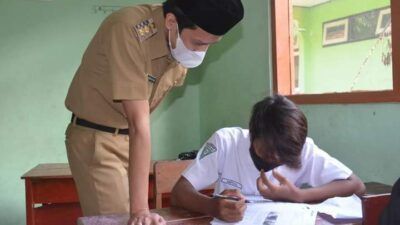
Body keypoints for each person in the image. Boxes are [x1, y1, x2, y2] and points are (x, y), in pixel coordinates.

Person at [64, 0, 244, 224]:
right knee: (123, 220)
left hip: (129, 139)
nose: (201, 51)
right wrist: (141, 210)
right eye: (198, 42)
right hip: (97, 140)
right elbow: (139, 123)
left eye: (210, 44)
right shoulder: (128, 28)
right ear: (171, 22)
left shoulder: (176, 43)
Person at [171, 95, 366, 222]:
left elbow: (355, 185)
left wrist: (299, 195)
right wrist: (211, 206)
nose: (276, 158)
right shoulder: (226, 142)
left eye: (285, 156)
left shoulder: (301, 148)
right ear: (253, 134)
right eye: (269, 153)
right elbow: (179, 192)